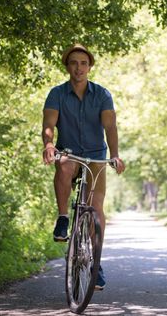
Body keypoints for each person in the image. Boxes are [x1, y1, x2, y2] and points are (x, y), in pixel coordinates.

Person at [41, 43, 125, 290]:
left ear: (89, 67)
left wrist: (116, 155)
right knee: (65, 166)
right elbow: (49, 124)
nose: (79, 68)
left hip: (96, 155)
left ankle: (96, 263)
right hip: (69, 151)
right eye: (74, 63)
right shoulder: (56, 93)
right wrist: (49, 145)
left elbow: (110, 127)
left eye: (84, 63)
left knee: (96, 208)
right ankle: (64, 218)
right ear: (67, 66)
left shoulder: (102, 94)